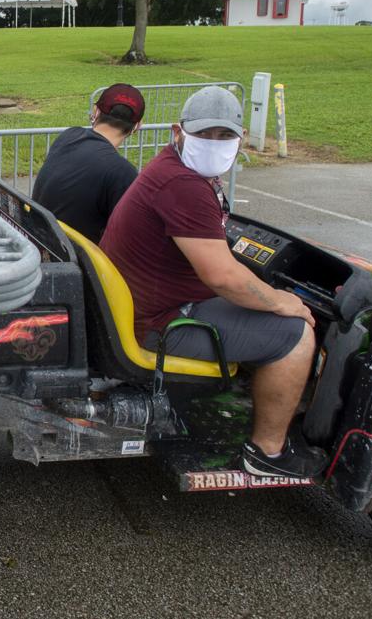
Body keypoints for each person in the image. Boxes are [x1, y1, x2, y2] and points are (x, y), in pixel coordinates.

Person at [101, 86, 326, 478]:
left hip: (147, 308)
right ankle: (267, 453)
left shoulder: (173, 169)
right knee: (295, 335)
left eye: (225, 137)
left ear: (240, 141)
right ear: (178, 131)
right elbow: (223, 277)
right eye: (204, 134)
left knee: (267, 306)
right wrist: (281, 302)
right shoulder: (183, 185)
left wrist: (267, 295)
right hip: (160, 326)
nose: (214, 144)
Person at [31, 83, 146, 242]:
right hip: (79, 259)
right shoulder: (122, 172)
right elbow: (130, 234)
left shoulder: (69, 136)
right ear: (137, 126)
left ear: (96, 111)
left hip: (40, 240)